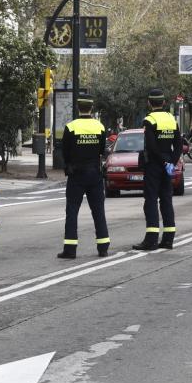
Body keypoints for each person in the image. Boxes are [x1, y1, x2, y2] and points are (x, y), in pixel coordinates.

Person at [57, 94, 110, 259]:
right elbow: (103, 150)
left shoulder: (71, 127)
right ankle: (103, 247)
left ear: (78, 107)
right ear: (91, 108)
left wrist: (70, 163)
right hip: (94, 174)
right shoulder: (99, 127)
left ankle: (70, 249)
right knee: (98, 211)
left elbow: (64, 151)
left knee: (72, 211)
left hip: (76, 175)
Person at [133, 89, 183, 251]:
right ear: (163, 102)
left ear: (149, 103)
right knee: (167, 200)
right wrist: (172, 162)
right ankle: (168, 239)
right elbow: (178, 144)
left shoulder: (149, 120)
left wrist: (162, 162)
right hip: (168, 165)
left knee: (151, 201)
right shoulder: (171, 119)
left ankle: (151, 240)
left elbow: (152, 146)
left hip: (154, 165)